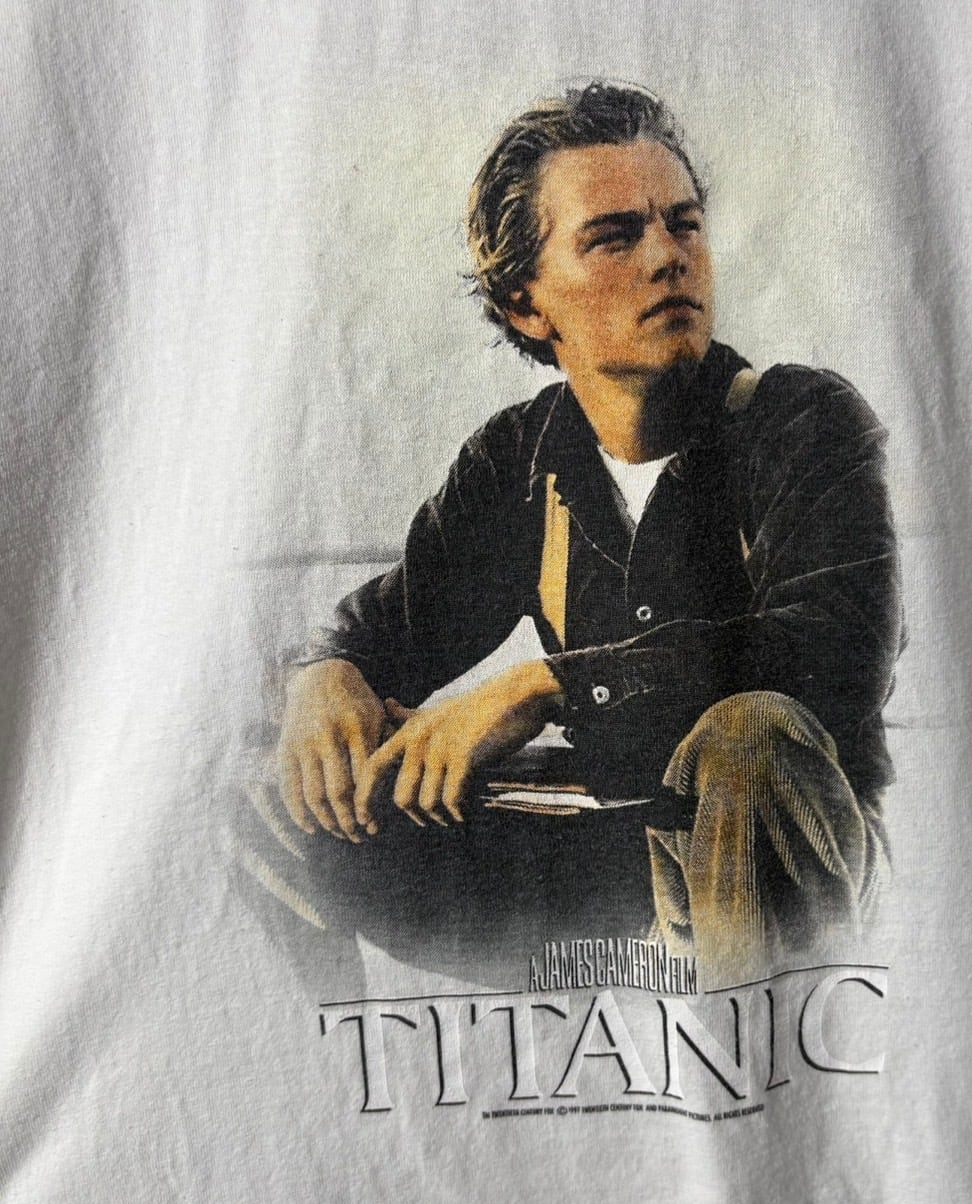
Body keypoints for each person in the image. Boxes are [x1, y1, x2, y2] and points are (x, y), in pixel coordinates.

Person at [256, 82, 902, 986]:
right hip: (613, 864)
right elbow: (390, 627)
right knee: (276, 799)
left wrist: (549, 686)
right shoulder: (521, 458)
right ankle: (340, 1056)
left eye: (684, 225)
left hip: (791, 871)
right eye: (615, 236)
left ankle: (765, 1056)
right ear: (526, 306)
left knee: (750, 732)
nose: (669, 258)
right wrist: (324, 673)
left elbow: (831, 653)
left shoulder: (804, 421)